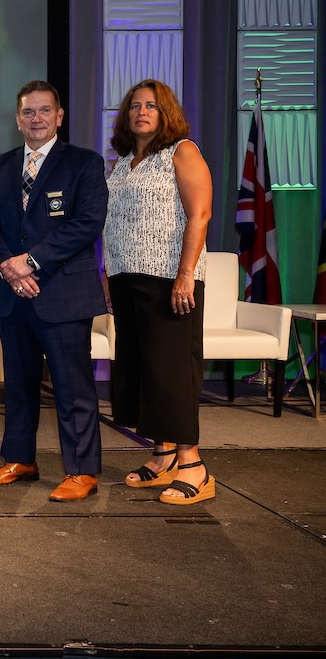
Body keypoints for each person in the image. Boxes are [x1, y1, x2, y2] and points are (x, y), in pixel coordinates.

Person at [0, 81, 108, 502]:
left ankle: (82, 471)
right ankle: (20, 459)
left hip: (62, 294)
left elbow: (86, 223)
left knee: (73, 387)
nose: (36, 118)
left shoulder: (85, 164)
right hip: (13, 294)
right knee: (18, 384)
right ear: (17, 119)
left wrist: (29, 262)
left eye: (44, 111)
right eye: (28, 112)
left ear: (59, 116)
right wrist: (7, 268)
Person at [103, 79, 214, 505]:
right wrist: (107, 272)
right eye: (134, 106)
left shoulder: (182, 151)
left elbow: (199, 214)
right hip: (127, 280)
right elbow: (113, 224)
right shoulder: (124, 161)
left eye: (151, 105)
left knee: (171, 373)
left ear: (166, 112)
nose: (141, 112)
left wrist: (186, 274)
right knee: (142, 370)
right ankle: (164, 454)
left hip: (170, 280)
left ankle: (194, 465)